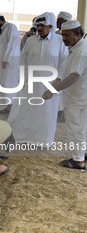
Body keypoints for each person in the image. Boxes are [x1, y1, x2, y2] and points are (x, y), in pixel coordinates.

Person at [7, 12, 68, 146]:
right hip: (30, 83)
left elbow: (64, 62)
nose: (39, 28)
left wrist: (58, 81)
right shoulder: (31, 41)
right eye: (38, 25)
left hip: (50, 85)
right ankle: (22, 137)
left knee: (46, 114)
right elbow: (22, 59)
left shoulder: (59, 41)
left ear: (51, 26)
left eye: (42, 25)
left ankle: (42, 140)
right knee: (25, 110)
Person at [42, 20, 87, 170]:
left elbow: (74, 76)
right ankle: (82, 154)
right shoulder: (76, 48)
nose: (64, 39)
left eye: (67, 36)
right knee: (81, 128)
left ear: (78, 34)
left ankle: (78, 160)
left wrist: (53, 91)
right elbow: (66, 74)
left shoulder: (81, 51)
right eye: (63, 36)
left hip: (78, 98)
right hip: (78, 96)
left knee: (75, 129)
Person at [0, 14, 21, 114]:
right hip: (2, 62)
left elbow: (12, 44)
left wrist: (6, 59)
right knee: (3, 84)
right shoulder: (2, 30)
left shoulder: (11, 27)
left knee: (9, 84)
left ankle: (12, 108)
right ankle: (8, 107)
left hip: (10, 62)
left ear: (0, 21)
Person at [55, 11, 72, 123]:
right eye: (58, 21)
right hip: (55, 65)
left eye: (61, 21)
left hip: (67, 65)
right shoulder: (55, 34)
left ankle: (61, 114)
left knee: (64, 91)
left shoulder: (71, 35)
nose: (58, 23)